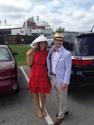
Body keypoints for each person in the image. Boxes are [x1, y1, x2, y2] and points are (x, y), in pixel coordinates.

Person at [47, 32, 72, 125]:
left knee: (62, 98)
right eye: (57, 40)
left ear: (62, 42)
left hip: (61, 80)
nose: (58, 42)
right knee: (57, 97)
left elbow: (68, 69)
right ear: (54, 41)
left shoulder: (67, 54)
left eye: (60, 41)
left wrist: (65, 82)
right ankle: (64, 110)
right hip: (52, 77)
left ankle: (61, 116)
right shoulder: (51, 50)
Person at [26, 35, 51, 118]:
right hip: (34, 75)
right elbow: (29, 64)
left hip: (43, 75)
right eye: (41, 43)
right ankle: (38, 109)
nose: (43, 44)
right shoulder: (33, 52)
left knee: (43, 95)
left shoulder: (48, 53)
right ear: (38, 44)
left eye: (44, 43)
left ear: (46, 44)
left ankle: (43, 108)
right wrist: (27, 55)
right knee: (35, 94)